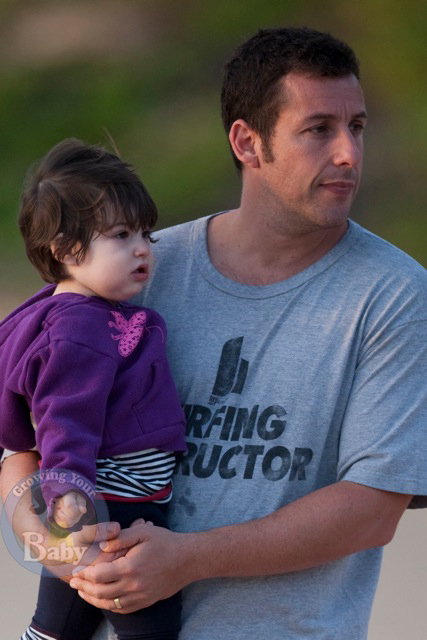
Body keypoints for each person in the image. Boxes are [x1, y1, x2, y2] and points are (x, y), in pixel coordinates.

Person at [3, 27, 427, 640]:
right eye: (318, 130)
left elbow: (370, 509)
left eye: (357, 127)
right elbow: (23, 439)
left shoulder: (394, 295)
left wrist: (187, 558)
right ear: (248, 143)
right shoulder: (139, 268)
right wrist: (59, 551)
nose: (349, 154)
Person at [0, 139, 186, 640]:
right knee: (152, 626)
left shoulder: (76, 313)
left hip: (108, 502)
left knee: (57, 627)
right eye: (121, 235)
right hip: (111, 511)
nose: (143, 247)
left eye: (145, 232)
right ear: (64, 250)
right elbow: (65, 422)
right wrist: (70, 508)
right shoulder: (79, 329)